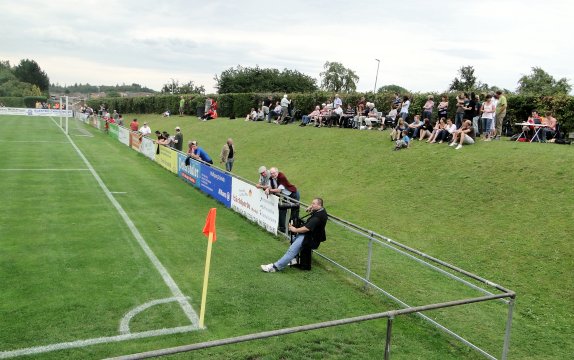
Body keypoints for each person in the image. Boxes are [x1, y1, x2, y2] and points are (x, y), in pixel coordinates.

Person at [261, 197, 327, 272]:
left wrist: (295, 229)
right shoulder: (321, 211)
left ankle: (275, 267)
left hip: (308, 237)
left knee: (291, 251)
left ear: (319, 205)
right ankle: (293, 260)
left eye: (313, 204)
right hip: (308, 236)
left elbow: (306, 228)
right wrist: (312, 208)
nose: (311, 205)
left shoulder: (318, 217)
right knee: (292, 246)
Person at [266, 167, 300, 232]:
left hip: (293, 194)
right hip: (285, 195)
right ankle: (282, 229)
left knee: (294, 212)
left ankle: (293, 230)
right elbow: (270, 186)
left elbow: (279, 190)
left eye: (274, 173)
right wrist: (267, 189)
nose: (273, 174)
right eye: (271, 173)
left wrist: (270, 190)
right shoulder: (271, 178)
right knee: (282, 209)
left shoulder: (281, 177)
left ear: (277, 172)